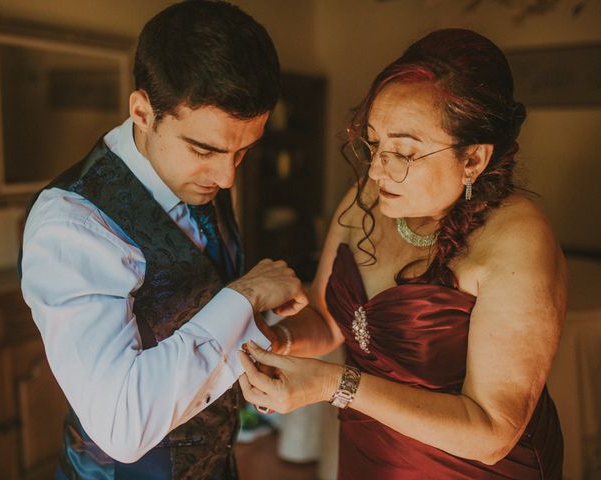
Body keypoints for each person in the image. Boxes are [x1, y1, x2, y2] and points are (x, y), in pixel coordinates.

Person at [239, 28, 566, 479]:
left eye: (404, 152)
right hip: (369, 455)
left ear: (473, 159)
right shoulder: (364, 201)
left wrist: (336, 384)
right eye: (373, 143)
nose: (376, 169)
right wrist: (280, 341)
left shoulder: (519, 238)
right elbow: (328, 316)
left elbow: (492, 433)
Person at [19, 1, 306, 479]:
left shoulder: (200, 177)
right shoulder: (71, 227)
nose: (227, 177)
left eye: (244, 152)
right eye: (205, 149)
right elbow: (122, 427)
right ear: (142, 111)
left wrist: (264, 322)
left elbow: (190, 299)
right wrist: (246, 294)